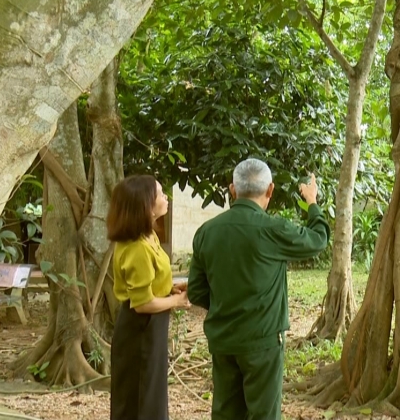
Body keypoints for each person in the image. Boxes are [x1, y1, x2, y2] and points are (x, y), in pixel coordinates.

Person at [187, 158, 330, 420]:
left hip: (222, 340)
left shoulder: (206, 232)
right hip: (262, 342)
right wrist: (312, 203)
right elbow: (318, 240)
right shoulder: (273, 229)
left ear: (233, 190)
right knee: (263, 414)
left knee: (226, 412)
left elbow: (196, 291)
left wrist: (224, 305)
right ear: (270, 190)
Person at [107, 175, 191, 420]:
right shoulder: (137, 248)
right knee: (138, 398)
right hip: (139, 329)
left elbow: (152, 283)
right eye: (160, 194)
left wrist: (170, 289)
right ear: (146, 205)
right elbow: (143, 303)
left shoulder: (149, 236)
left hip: (153, 326)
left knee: (152, 394)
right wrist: (177, 301)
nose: (166, 198)